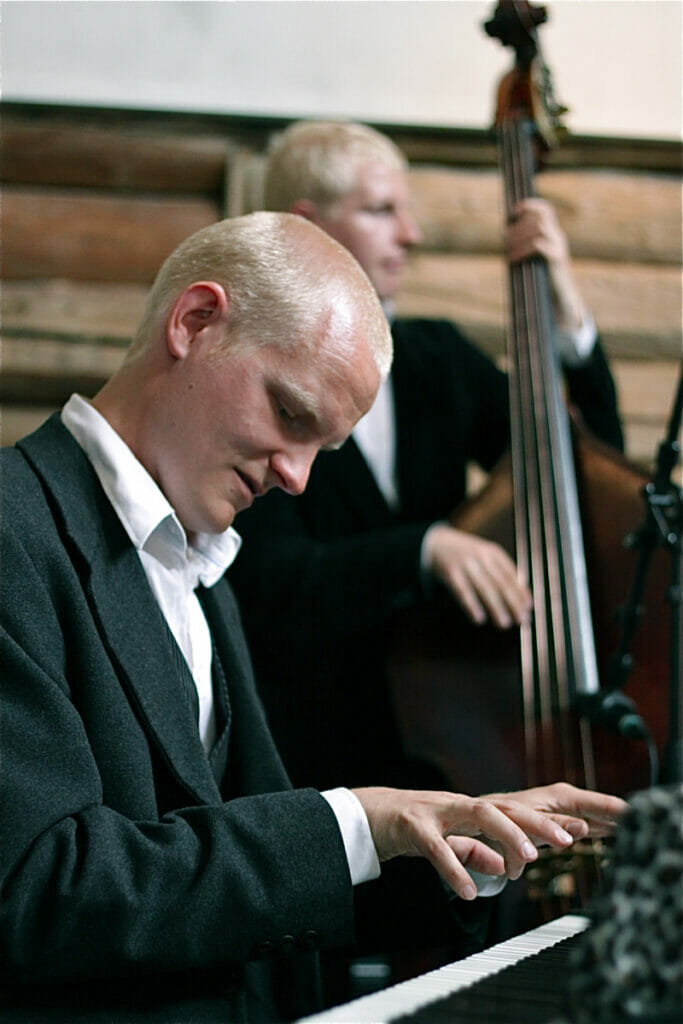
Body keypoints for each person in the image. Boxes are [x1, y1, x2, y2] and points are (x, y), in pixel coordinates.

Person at [0, 211, 627, 1023]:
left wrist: (456, 841)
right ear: (194, 322)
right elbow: (38, 892)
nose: (296, 478)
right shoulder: (14, 525)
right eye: (291, 417)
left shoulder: (200, 563)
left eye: (322, 450)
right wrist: (358, 821)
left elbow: (239, 885)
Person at [228, 120, 625, 796]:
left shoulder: (436, 359)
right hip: (316, 757)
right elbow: (267, 581)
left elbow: (585, 470)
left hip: (453, 745)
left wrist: (562, 305)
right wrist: (422, 549)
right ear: (308, 225)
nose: (408, 234)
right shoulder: (252, 372)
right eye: (381, 210)